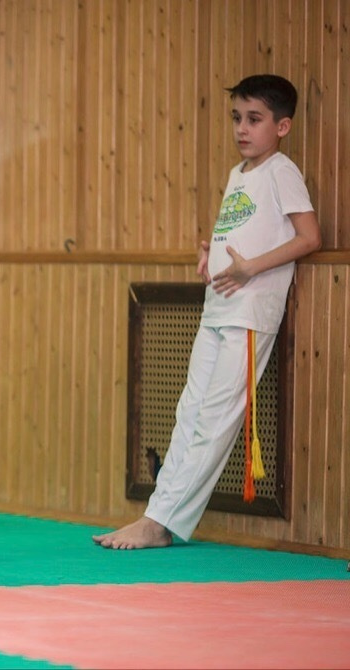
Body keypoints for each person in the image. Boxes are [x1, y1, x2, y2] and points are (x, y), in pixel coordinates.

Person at [93, 74, 321, 550]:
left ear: (282, 127)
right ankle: (157, 513)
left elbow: (308, 237)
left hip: (250, 313)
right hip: (218, 307)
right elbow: (241, 231)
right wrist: (211, 256)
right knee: (189, 412)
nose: (242, 128)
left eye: (254, 119)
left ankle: (161, 522)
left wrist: (250, 268)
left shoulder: (282, 171)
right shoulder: (239, 175)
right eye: (237, 118)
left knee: (214, 419)